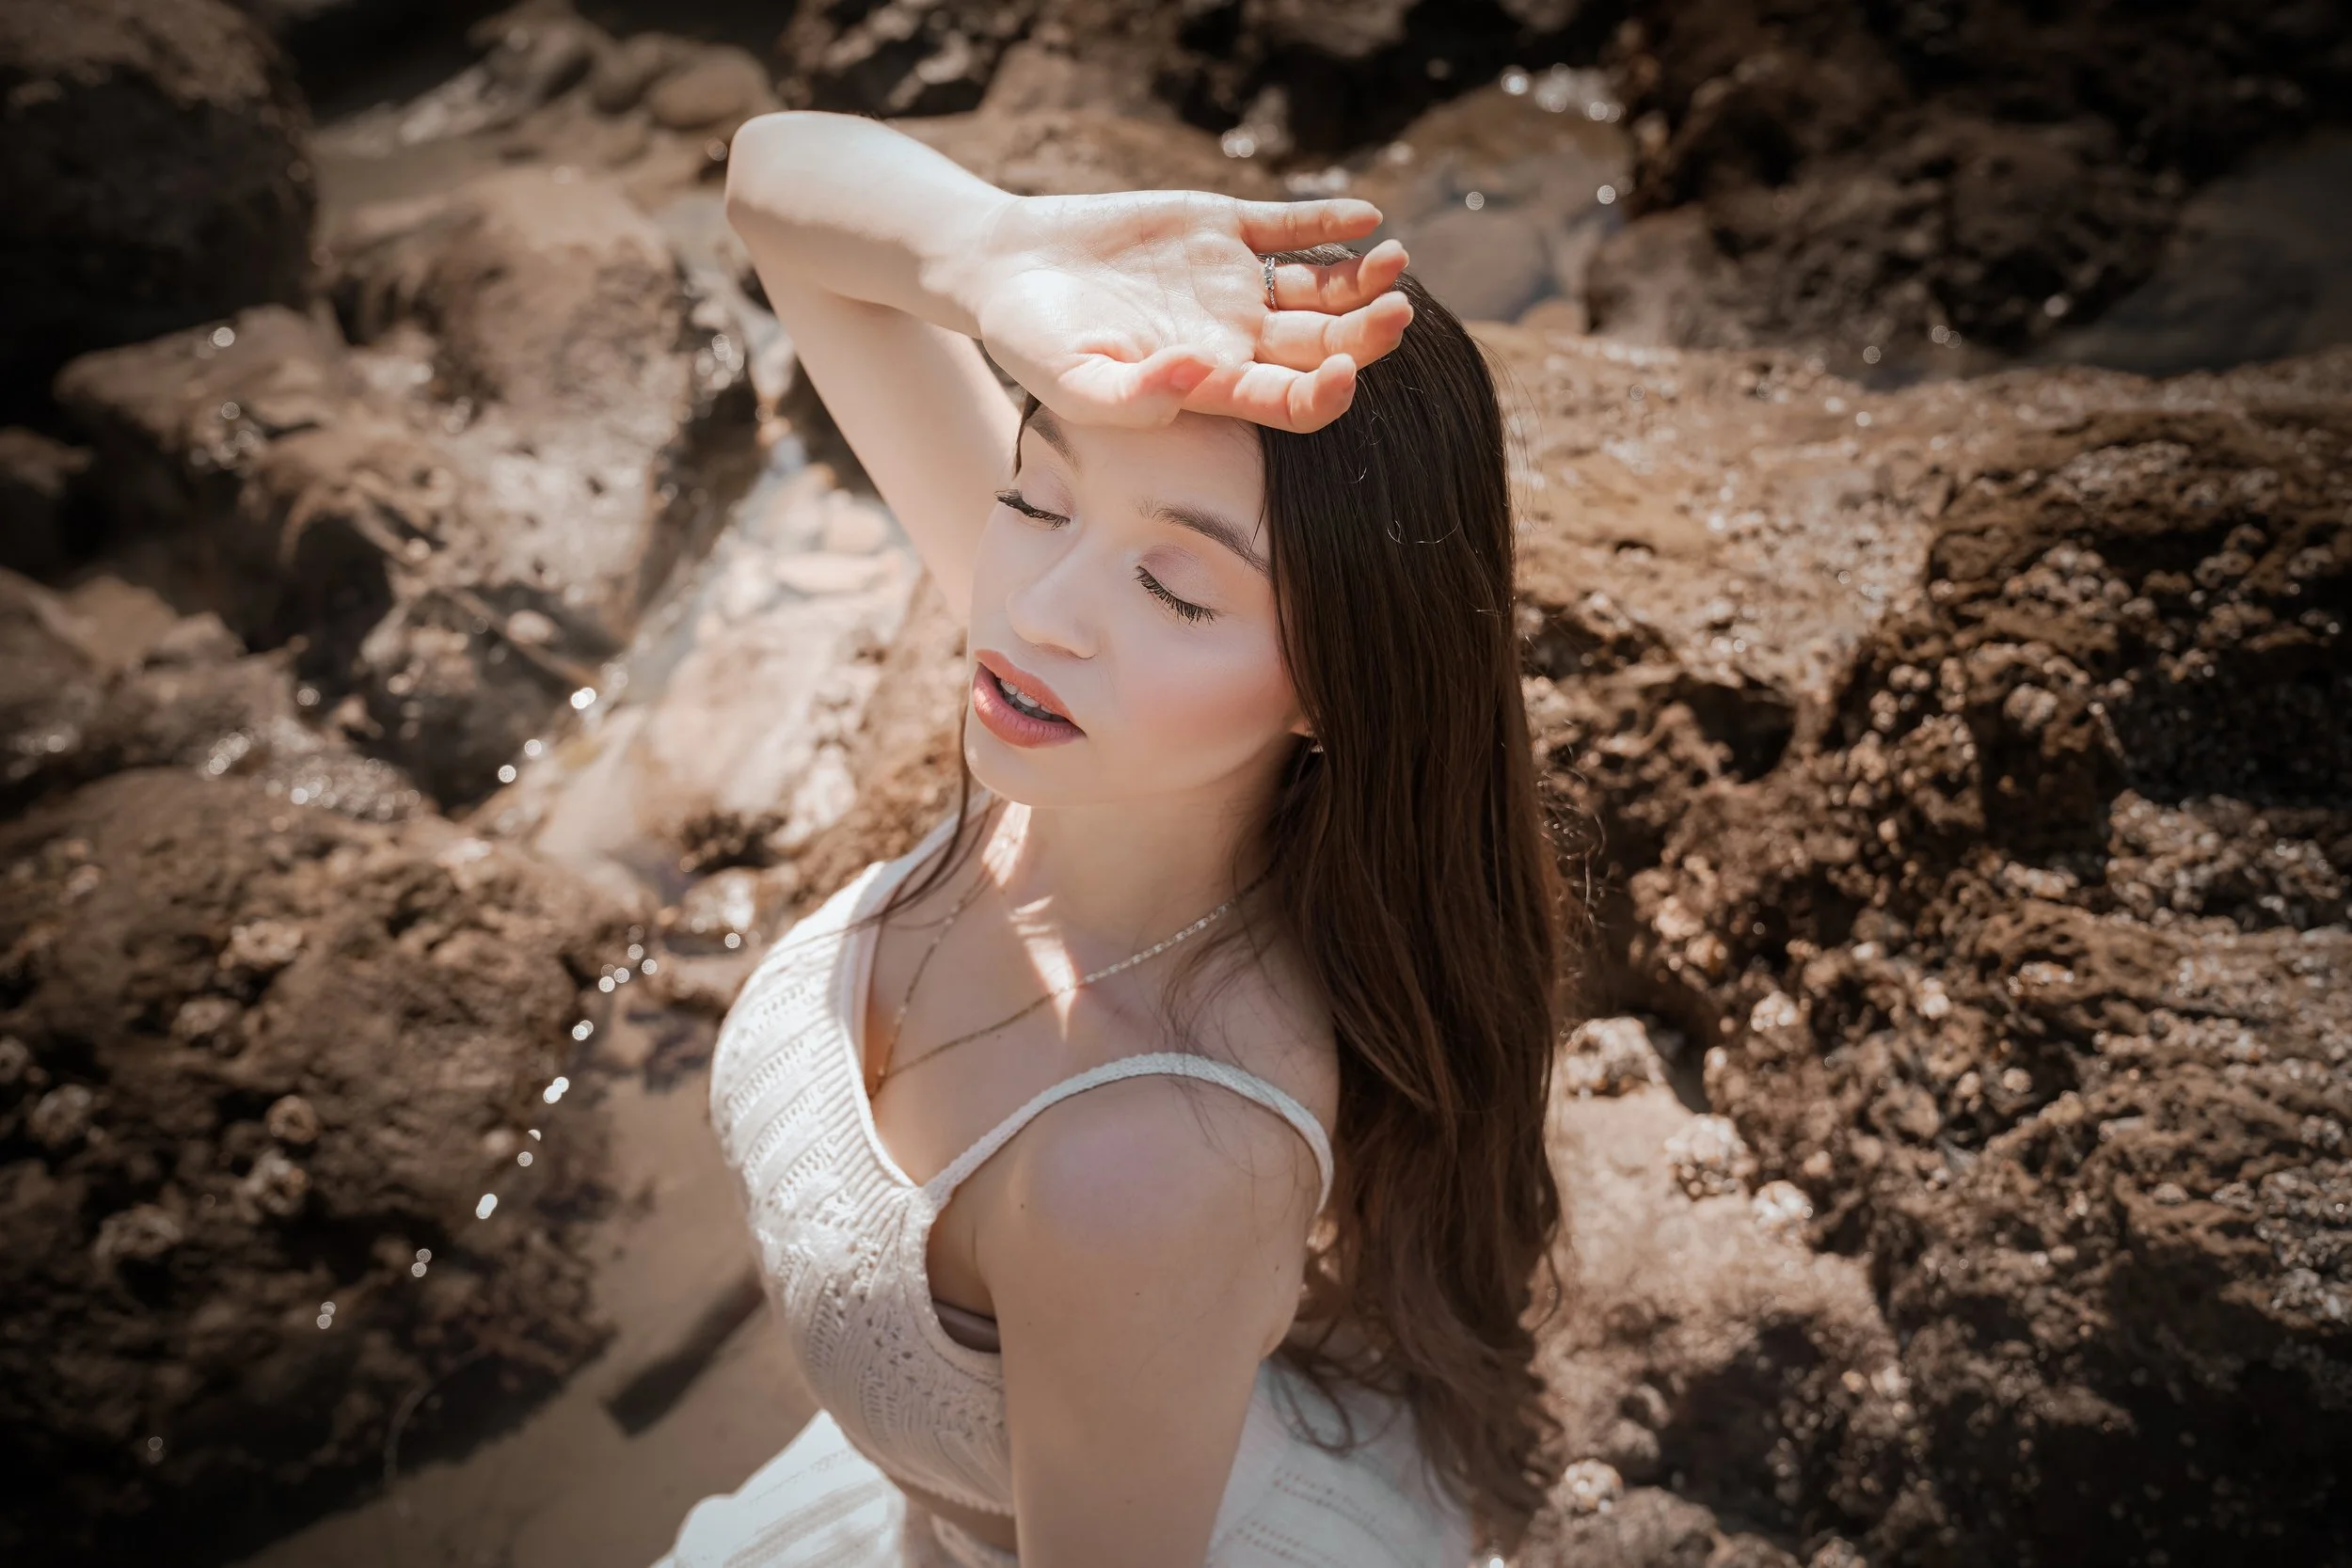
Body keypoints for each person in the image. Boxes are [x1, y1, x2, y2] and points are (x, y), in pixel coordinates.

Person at [660, 110, 1567, 1568]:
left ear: (1338, 683)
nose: (1035, 604)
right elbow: (772, 186)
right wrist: (999, 247)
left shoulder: (1150, 1166)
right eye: (1035, 485)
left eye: (1179, 588)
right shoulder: (1102, 725)